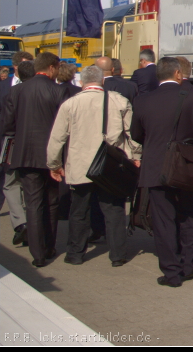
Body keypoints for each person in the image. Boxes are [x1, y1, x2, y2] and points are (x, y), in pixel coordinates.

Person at [130, 57, 193, 287]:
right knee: (189, 215)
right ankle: (190, 266)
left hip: (156, 166)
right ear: (178, 74)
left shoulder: (142, 100)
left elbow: (135, 134)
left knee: (163, 220)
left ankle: (171, 272)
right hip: (186, 165)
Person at [46, 65, 140, 267]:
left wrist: (54, 164)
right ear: (102, 81)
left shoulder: (70, 104)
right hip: (110, 166)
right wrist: (135, 156)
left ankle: (75, 253)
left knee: (79, 211)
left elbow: (57, 138)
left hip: (81, 165)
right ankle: (118, 255)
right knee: (114, 210)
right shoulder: (119, 101)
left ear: (81, 82)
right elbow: (132, 134)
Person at [1, 51, 72, 267]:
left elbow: (7, 125)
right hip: (52, 155)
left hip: (25, 154)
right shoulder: (59, 91)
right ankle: (49, 246)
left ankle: (37, 252)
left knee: (32, 203)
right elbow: (67, 126)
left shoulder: (17, 91)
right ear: (51, 68)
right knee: (51, 201)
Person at [1, 59, 35, 247]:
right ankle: (25, 224)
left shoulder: (16, 92)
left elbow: (6, 123)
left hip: (18, 143)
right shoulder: (4, 87)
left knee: (15, 183)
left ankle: (25, 223)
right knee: (14, 184)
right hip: (16, 144)